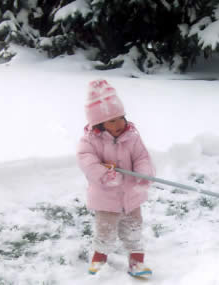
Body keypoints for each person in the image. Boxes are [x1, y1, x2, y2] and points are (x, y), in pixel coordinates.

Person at [77, 79, 155, 278]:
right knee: (105, 231)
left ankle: (137, 262)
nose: (119, 123)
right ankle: (99, 258)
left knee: (134, 229)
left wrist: (143, 173)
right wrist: (104, 175)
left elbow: (141, 157)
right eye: (112, 120)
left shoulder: (132, 137)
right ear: (98, 124)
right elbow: (87, 162)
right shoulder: (89, 141)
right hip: (106, 199)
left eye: (121, 117)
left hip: (131, 197)